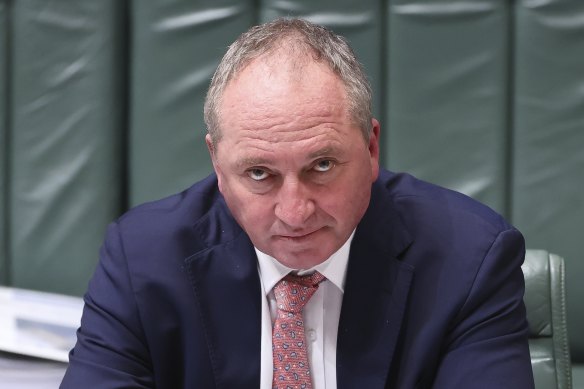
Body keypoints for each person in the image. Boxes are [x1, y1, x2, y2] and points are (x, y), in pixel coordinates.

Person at [61, 18, 534, 388]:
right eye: (260, 174)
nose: (295, 211)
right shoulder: (142, 258)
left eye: (322, 166)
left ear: (370, 149)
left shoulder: (469, 259)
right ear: (218, 166)